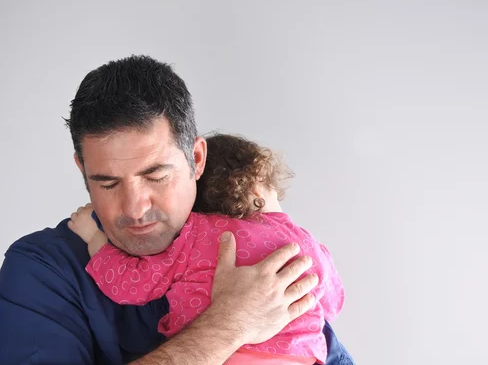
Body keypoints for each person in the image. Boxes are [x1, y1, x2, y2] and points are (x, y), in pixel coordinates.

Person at [0, 55, 356, 364]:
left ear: (195, 159)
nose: (135, 208)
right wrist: (231, 322)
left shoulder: (257, 262)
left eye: (155, 176)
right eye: (108, 183)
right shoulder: (43, 270)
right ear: (82, 170)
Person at [68, 133, 345, 364]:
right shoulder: (301, 240)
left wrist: (94, 236)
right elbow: (333, 303)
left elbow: (130, 284)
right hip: (299, 358)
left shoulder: (193, 235)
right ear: (259, 189)